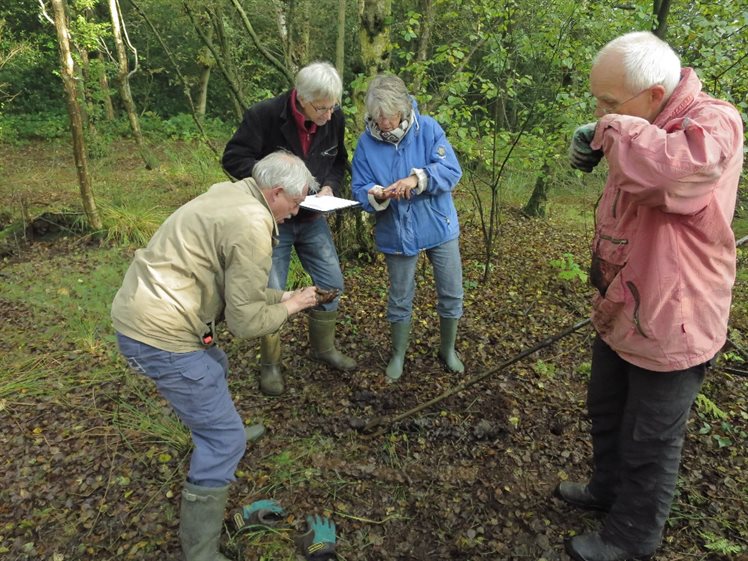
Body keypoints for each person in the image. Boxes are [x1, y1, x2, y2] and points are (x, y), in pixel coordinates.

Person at [558, 31, 744, 561]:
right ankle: (607, 493)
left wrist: (609, 130)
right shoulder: (648, 121)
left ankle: (632, 537)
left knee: (650, 438)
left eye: (610, 103)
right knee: (608, 409)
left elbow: (668, 177)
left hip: (674, 312)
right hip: (625, 299)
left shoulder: (716, 121)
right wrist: (607, 125)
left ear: (656, 95)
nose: (601, 111)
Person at [111, 151, 326, 561]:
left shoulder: (231, 194)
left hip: (142, 312)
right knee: (223, 438)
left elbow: (233, 288)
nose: (294, 213)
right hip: (160, 335)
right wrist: (294, 307)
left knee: (215, 364)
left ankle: (219, 429)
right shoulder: (252, 225)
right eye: (294, 204)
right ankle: (201, 552)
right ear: (275, 192)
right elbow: (245, 322)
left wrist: (282, 295)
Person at [222, 61, 356, 397]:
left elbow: (338, 160)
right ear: (302, 99)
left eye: (332, 107)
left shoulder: (333, 118)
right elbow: (234, 158)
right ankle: (271, 365)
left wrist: (328, 186)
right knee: (270, 290)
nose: (328, 115)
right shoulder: (264, 115)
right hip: (273, 223)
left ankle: (323, 349)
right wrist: (276, 183)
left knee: (332, 283)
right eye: (321, 108)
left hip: (312, 219)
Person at [351, 74, 465, 381]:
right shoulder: (366, 143)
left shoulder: (427, 129)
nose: (384, 122)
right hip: (396, 230)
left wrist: (417, 179)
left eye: (389, 115)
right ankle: (398, 353)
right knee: (400, 296)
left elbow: (451, 171)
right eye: (378, 117)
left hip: (438, 225)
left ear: (403, 108)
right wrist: (374, 194)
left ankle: (448, 349)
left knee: (451, 292)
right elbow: (358, 186)